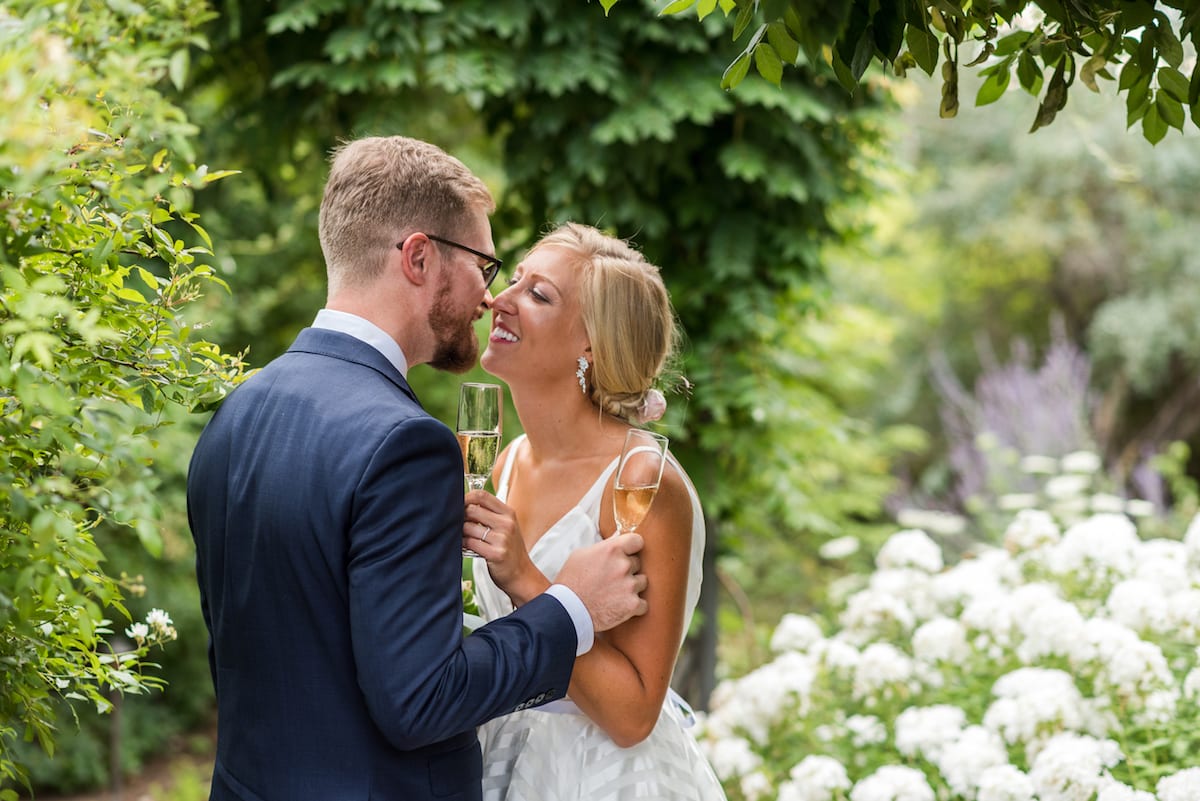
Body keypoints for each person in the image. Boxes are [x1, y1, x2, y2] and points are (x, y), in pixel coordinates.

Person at [186, 137, 650, 801]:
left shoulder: (236, 414)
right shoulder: (406, 444)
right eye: (485, 267)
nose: (488, 299)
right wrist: (569, 604)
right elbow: (422, 699)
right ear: (419, 256)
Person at [460, 223, 727, 801]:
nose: (498, 300)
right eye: (516, 281)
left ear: (592, 343)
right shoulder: (505, 462)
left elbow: (632, 716)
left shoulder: (642, 481)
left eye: (538, 294)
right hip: (501, 752)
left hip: (597, 775)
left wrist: (528, 580)